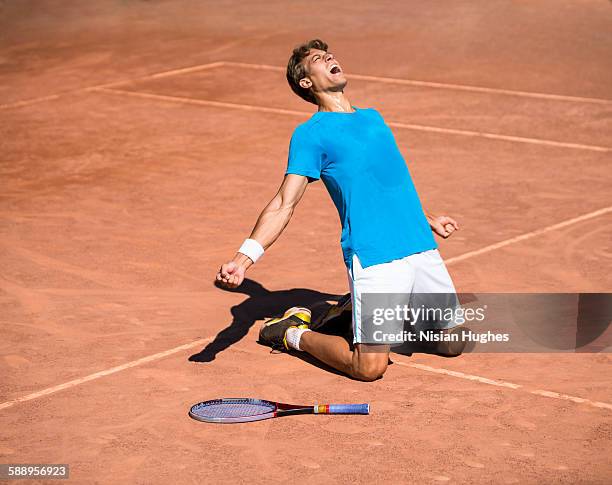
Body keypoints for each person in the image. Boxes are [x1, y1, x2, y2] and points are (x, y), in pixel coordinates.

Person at [216, 39, 460, 381]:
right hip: (375, 254)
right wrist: (243, 259)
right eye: (318, 58)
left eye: (328, 54)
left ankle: (351, 310)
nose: (330, 57)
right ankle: (291, 333)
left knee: (453, 343)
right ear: (306, 82)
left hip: (418, 243)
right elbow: (284, 202)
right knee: (369, 368)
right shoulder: (311, 135)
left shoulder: (373, 118)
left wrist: (427, 218)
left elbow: (388, 183)